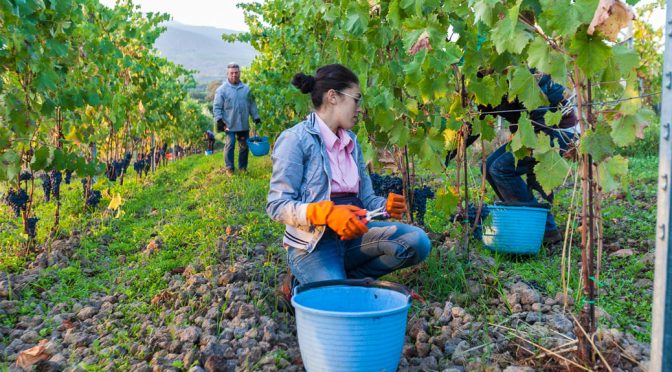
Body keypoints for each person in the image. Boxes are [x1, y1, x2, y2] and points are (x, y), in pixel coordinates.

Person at [266, 64, 432, 304]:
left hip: (354, 238)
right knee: (339, 303)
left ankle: (343, 280)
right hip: (314, 245)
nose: (359, 109)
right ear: (333, 97)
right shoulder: (295, 139)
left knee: (417, 242)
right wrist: (325, 212)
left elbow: (365, 199)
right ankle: (298, 284)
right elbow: (276, 205)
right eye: (356, 100)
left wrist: (385, 207)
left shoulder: (351, 142)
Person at [446, 71, 579, 245]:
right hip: (534, 130)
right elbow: (478, 122)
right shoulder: (490, 84)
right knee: (489, 167)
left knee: (501, 169)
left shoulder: (517, 75)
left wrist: (535, 165)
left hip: (560, 130)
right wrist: (449, 153)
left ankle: (544, 229)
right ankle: (527, 222)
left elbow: (541, 119)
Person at [213, 62, 261, 175]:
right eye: (232, 73)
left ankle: (243, 168)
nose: (234, 75)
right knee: (230, 144)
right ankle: (229, 168)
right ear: (227, 74)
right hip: (228, 124)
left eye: (236, 72)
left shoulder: (246, 89)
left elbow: (252, 105)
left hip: (243, 123)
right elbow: (217, 107)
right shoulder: (222, 90)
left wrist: (256, 117)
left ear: (239, 73)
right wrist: (219, 120)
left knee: (244, 147)